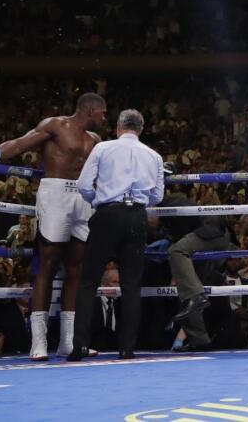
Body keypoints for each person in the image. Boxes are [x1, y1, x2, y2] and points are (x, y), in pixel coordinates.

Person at [0, 92, 107, 360]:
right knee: (48, 264)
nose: (104, 118)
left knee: (76, 268)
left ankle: (68, 342)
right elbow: (21, 143)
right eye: (102, 113)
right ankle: (38, 342)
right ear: (90, 109)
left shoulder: (96, 141)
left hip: (84, 197)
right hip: (54, 193)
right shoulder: (55, 125)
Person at [67, 109, 164, 360]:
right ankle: (126, 348)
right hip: (136, 218)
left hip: (107, 214)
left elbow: (83, 186)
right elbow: (157, 197)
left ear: (119, 127)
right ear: (140, 130)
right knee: (131, 285)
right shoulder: (154, 156)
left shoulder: (103, 148)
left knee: (88, 281)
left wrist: (100, 201)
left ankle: (78, 347)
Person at [162, 190, 232, 352]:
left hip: (211, 232)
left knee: (176, 251)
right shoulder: (165, 213)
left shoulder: (169, 203)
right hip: (205, 239)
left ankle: (196, 296)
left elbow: (181, 229)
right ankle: (199, 339)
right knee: (185, 290)